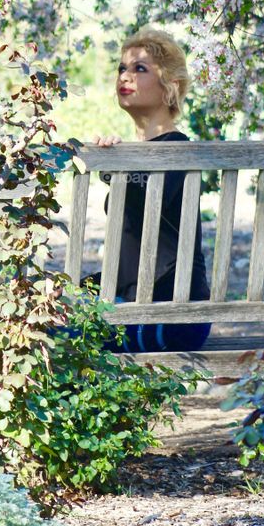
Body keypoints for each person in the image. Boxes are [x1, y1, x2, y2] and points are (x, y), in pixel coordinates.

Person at [93, 28, 211, 353]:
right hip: (139, 306)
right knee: (48, 314)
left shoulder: (177, 148)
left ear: (169, 87)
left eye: (139, 69)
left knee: (57, 336)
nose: (125, 76)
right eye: (122, 69)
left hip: (176, 318)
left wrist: (118, 168)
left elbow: (146, 207)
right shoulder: (135, 153)